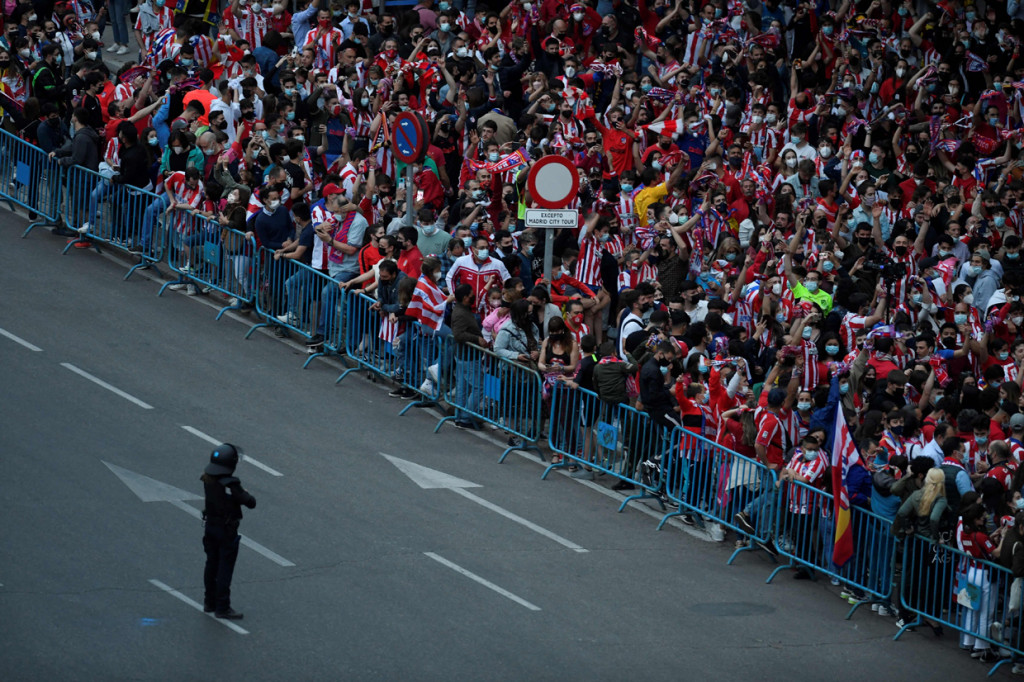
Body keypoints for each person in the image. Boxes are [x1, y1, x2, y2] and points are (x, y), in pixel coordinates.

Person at [200, 444, 256, 620]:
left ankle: (209, 602)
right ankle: (222, 606)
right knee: (225, 568)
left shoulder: (207, 479)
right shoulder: (232, 484)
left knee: (211, 564)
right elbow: (251, 502)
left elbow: (220, 499)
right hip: (226, 531)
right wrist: (242, 494)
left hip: (210, 527)